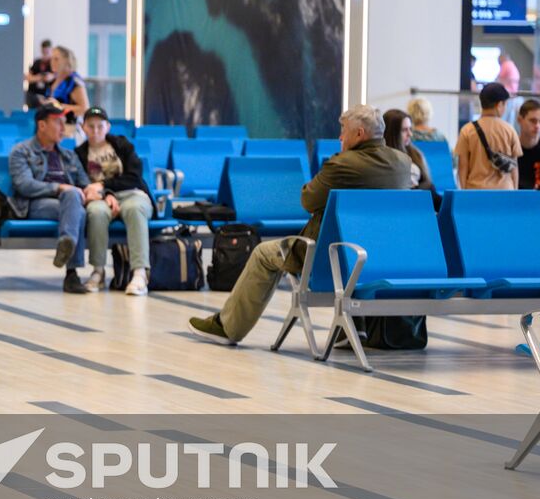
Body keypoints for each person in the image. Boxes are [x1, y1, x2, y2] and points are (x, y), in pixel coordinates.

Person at [188, 105, 411, 344]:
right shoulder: (402, 163)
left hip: (329, 257)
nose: (340, 137)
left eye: (343, 131)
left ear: (359, 134)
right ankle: (352, 330)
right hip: (379, 257)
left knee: (263, 253)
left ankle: (228, 327)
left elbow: (308, 199)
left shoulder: (343, 164)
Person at [9, 104, 94, 294]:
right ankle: (71, 273)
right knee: (74, 204)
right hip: (35, 204)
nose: (63, 129)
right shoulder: (21, 152)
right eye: (58, 123)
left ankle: (67, 242)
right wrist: (59, 188)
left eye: (64, 123)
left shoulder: (69, 155)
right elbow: (24, 185)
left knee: (75, 205)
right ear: (42, 125)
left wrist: (92, 191)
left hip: (69, 205)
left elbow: (84, 182)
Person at [76, 107, 154, 295]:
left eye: (100, 126)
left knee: (135, 210)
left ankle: (139, 273)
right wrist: (105, 194)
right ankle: (98, 271)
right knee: (96, 212)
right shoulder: (79, 153)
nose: (95, 131)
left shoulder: (122, 145)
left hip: (132, 194)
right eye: (91, 126)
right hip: (101, 199)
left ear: (108, 127)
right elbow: (81, 182)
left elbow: (133, 177)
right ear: (83, 128)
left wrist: (103, 185)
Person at [455, 82, 522, 191]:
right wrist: (514, 192)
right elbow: (514, 168)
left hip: (476, 193)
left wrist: (464, 192)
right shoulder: (509, 130)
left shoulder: (467, 130)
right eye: (505, 104)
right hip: (504, 193)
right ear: (499, 104)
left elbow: (462, 167)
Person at [382, 109, 435, 194]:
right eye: (404, 130)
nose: (410, 134)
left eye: (410, 129)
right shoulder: (383, 157)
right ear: (392, 133)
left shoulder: (415, 153)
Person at [44, 45, 90, 123]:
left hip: (70, 128)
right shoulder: (53, 80)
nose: (52, 62)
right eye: (52, 58)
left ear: (66, 61)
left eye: (56, 59)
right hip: (54, 128)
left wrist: (59, 106)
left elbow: (84, 109)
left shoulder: (74, 81)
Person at [25, 39, 54, 109]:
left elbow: (52, 77)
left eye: (47, 52)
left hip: (47, 96)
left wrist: (36, 77)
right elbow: (28, 78)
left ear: (51, 50)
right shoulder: (36, 63)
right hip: (33, 94)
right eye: (44, 52)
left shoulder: (53, 64)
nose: (45, 54)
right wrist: (41, 77)